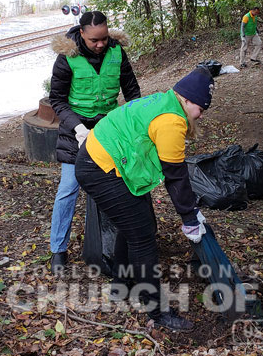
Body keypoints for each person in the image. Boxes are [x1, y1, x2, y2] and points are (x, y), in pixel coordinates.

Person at [74, 67, 214, 331]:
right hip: (99, 167)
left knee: (137, 225)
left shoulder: (166, 100)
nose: (201, 115)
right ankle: (157, 312)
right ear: (187, 100)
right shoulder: (171, 120)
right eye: (201, 109)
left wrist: (190, 213)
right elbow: (176, 176)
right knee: (142, 237)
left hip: (102, 158)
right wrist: (189, 217)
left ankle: (120, 284)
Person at [48, 11, 141, 273]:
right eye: (94, 41)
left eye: (104, 38)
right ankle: (58, 250)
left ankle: (113, 247)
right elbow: (56, 99)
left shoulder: (117, 52)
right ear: (81, 35)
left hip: (108, 129)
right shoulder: (68, 57)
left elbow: (132, 91)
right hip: (74, 130)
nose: (100, 44)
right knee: (68, 189)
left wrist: (131, 122)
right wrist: (78, 128)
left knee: (117, 187)